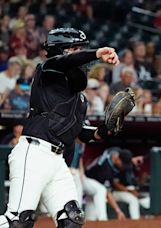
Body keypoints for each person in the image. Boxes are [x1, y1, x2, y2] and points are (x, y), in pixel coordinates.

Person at [0, 28, 119, 228]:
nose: (80, 54)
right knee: (18, 222)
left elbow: (81, 131)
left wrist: (104, 131)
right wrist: (97, 53)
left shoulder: (80, 99)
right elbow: (65, 62)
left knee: (71, 220)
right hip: (34, 153)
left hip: (57, 161)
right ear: (59, 50)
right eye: (74, 48)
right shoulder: (47, 69)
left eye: (81, 49)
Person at [85, 147, 134, 221]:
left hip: (95, 182)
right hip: (86, 179)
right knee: (102, 190)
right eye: (123, 164)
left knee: (90, 218)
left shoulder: (115, 151)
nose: (124, 167)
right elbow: (108, 193)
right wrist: (118, 211)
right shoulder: (105, 169)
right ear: (118, 159)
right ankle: (103, 221)